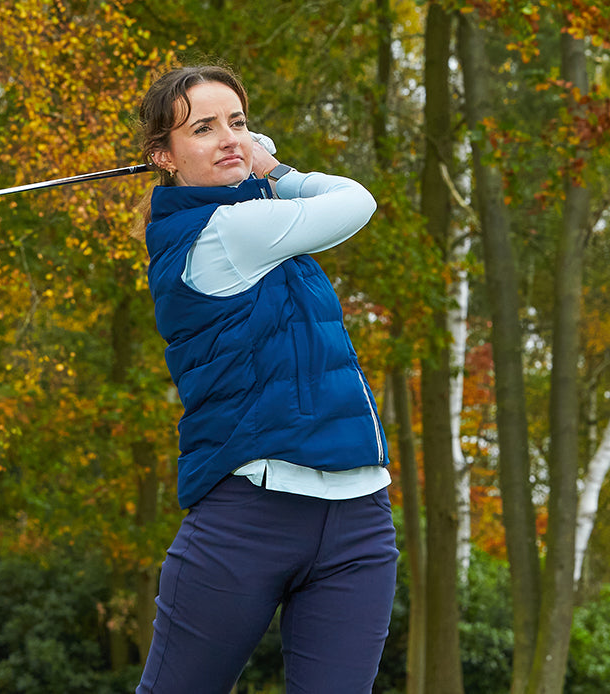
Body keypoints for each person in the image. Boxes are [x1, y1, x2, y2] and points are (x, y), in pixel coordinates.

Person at [133, 65, 398, 694]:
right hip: (251, 515)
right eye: (203, 128)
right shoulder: (222, 234)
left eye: (238, 122)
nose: (229, 138)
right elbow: (356, 201)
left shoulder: (256, 221)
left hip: (359, 517)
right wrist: (276, 168)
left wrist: (255, 167)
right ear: (164, 156)